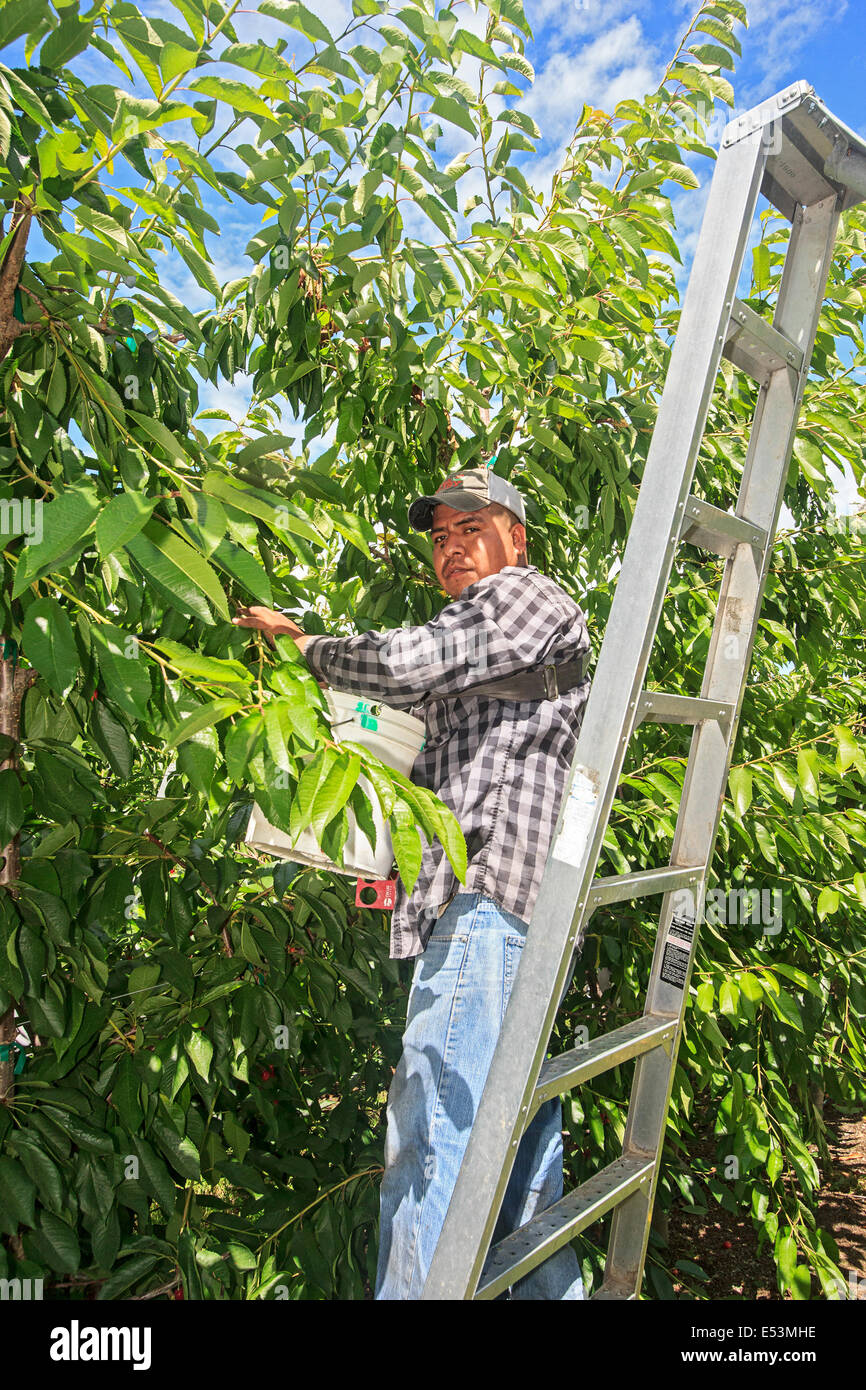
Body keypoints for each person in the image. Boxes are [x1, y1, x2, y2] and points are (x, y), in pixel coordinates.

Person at [233, 461, 592, 1299]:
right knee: (522, 1171)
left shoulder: (525, 600)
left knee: (432, 1140)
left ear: (518, 537)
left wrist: (304, 647)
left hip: (490, 908)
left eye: (472, 528)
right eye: (439, 538)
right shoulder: (487, 650)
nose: (452, 549)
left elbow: (407, 662)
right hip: (505, 919)